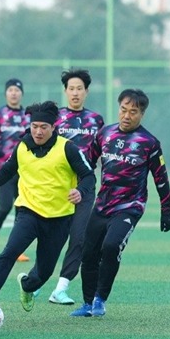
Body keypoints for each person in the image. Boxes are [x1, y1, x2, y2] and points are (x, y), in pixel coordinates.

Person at [0, 101, 94, 313]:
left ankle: (27, 285)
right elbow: (5, 172)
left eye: (44, 127)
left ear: (53, 127)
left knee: (43, 272)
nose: (38, 131)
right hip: (28, 212)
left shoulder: (67, 148)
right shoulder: (22, 147)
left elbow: (88, 175)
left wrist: (80, 190)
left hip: (59, 219)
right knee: (9, 253)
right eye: (35, 126)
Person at [71, 88, 170, 318]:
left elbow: (161, 178)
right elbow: (87, 162)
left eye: (133, 112)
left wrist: (167, 212)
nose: (127, 115)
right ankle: (87, 303)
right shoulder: (105, 134)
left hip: (129, 207)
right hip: (101, 205)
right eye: (123, 109)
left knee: (110, 246)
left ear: (142, 114)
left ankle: (100, 299)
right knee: (88, 253)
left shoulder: (149, 143)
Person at [46, 68, 105, 305]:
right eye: (71, 89)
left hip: (85, 186)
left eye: (79, 88)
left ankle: (61, 288)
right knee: (52, 238)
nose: (75, 93)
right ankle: (37, 280)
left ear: (87, 92)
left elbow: (101, 151)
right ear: (65, 91)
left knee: (79, 237)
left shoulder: (96, 120)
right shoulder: (55, 118)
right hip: (57, 185)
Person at [0, 78, 30, 262]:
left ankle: (17, 249)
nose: (14, 93)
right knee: (5, 205)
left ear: (21, 93)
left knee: (22, 208)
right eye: (10, 90)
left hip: (24, 170)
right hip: (3, 169)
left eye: (17, 90)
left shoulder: (28, 115)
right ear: (6, 93)